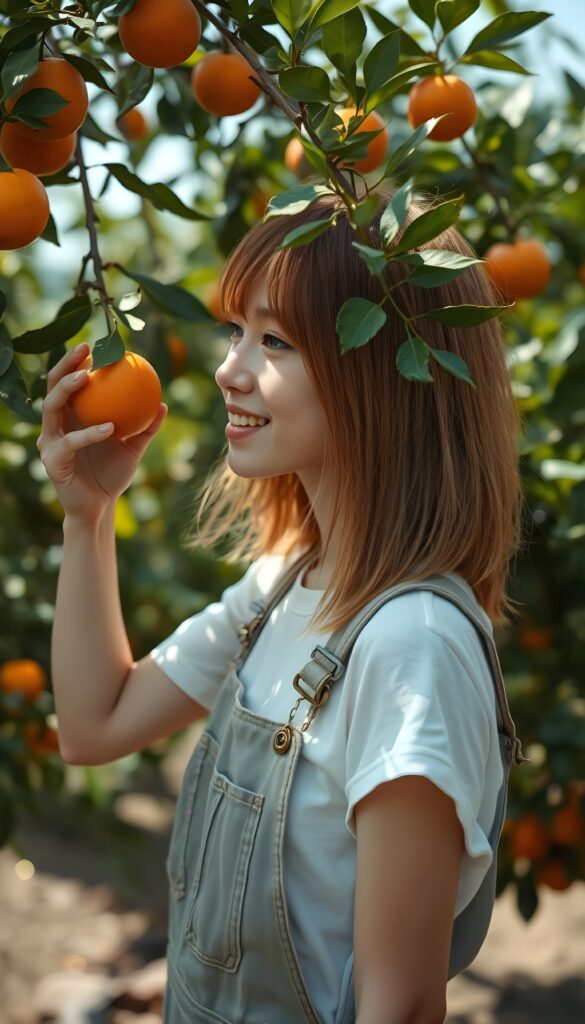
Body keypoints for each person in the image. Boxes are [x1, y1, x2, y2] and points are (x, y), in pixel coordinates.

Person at [38, 186, 527, 1024]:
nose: (230, 368)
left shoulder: (410, 642)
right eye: (238, 330)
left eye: (275, 340)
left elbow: (400, 1005)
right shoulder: (283, 587)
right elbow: (94, 725)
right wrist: (89, 517)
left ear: (380, 367)